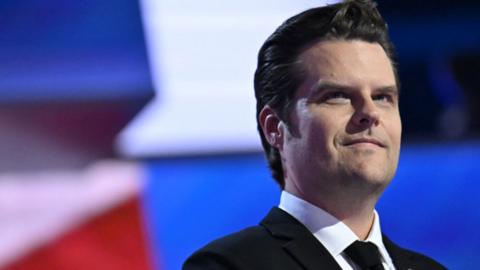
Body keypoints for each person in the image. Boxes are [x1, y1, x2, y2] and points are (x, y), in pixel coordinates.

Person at [183, 1, 446, 269]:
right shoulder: (229, 265)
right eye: (338, 96)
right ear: (275, 128)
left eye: (382, 97)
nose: (370, 112)